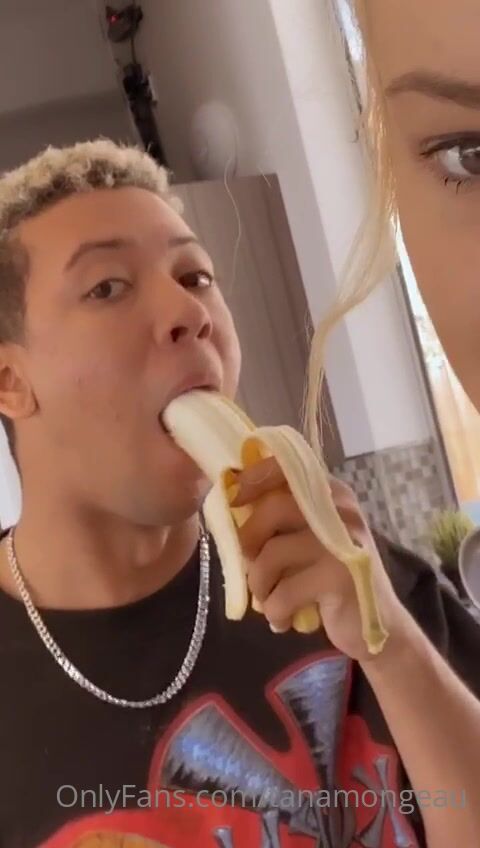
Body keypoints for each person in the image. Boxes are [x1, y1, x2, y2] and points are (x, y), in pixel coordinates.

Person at [0, 137, 478, 848]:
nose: (188, 311)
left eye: (195, 276)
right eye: (107, 287)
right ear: (10, 381)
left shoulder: (352, 573)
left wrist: (394, 650)